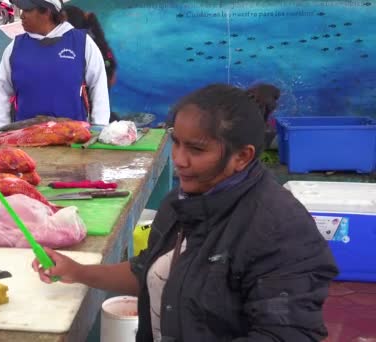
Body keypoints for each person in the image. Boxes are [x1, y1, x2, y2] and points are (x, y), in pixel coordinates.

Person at [32, 83, 339, 341]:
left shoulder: (281, 231)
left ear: (242, 157)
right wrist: (77, 271)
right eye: (176, 142)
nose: (179, 159)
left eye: (196, 149)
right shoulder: (182, 201)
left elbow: (287, 334)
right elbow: (151, 271)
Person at [0, 0, 110, 130]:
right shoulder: (15, 47)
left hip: (72, 137)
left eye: (27, 10)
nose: (21, 15)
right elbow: (2, 91)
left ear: (47, 12)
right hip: (25, 139)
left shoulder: (82, 43)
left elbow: (99, 87)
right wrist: (2, 131)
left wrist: (99, 127)